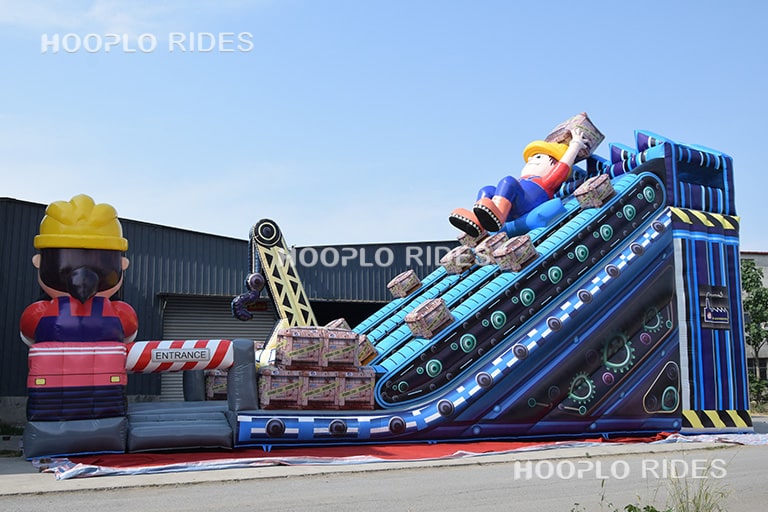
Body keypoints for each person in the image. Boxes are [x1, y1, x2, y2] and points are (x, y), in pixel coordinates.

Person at [20, 194, 138, 345]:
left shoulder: (119, 313)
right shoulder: (40, 313)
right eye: (67, 264)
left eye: (100, 265)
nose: (82, 279)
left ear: (122, 264)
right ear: (39, 262)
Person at [449, 127, 588, 238]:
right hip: (512, 206)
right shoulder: (524, 179)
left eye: (538, 156)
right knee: (487, 190)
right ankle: (478, 223)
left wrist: (575, 145)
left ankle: (498, 215)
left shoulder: (546, 181)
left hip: (526, 204)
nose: (532, 160)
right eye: (531, 158)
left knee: (508, 181)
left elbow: (564, 166)